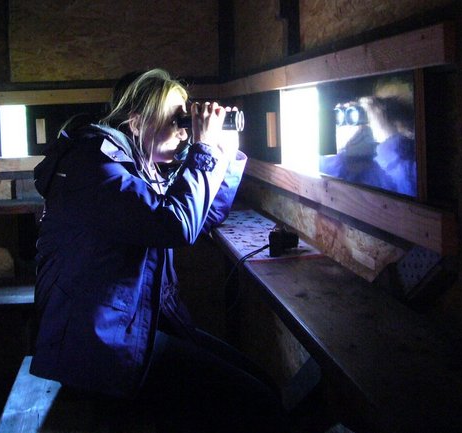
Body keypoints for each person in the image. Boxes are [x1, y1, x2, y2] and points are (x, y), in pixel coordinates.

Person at [30, 69, 288, 432]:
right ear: (137, 122)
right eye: (177, 120)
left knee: (259, 383)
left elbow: (204, 217)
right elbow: (177, 225)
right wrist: (202, 150)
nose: (185, 130)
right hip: (99, 345)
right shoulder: (96, 167)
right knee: (255, 402)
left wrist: (225, 156)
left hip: (133, 326)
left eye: (187, 121)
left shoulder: (139, 167)